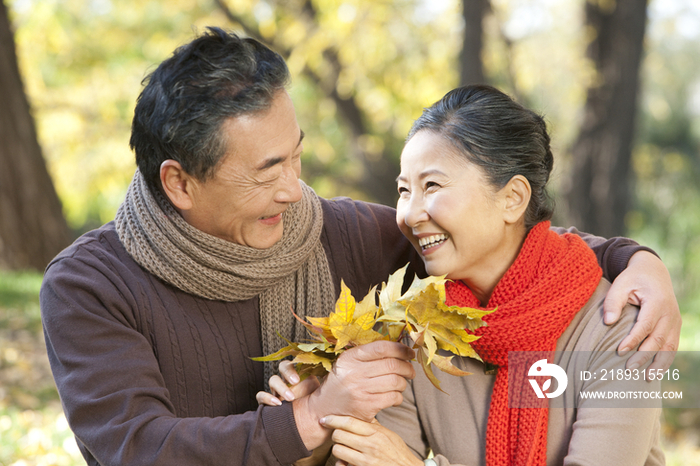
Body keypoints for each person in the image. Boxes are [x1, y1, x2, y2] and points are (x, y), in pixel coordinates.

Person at [40, 28, 676, 466]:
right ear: (179, 181)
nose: (296, 191)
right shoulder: (91, 286)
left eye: (297, 156)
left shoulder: (350, 239)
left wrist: (635, 260)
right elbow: (139, 451)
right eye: (267, 170)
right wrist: (312, 417)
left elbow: (511, 245)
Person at [317, 85, 666, 465]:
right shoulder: (420, 330)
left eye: (431, 185)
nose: (409, 214)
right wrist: (316, 407)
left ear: (513, 198)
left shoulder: (620, 330)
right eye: (403, 190)